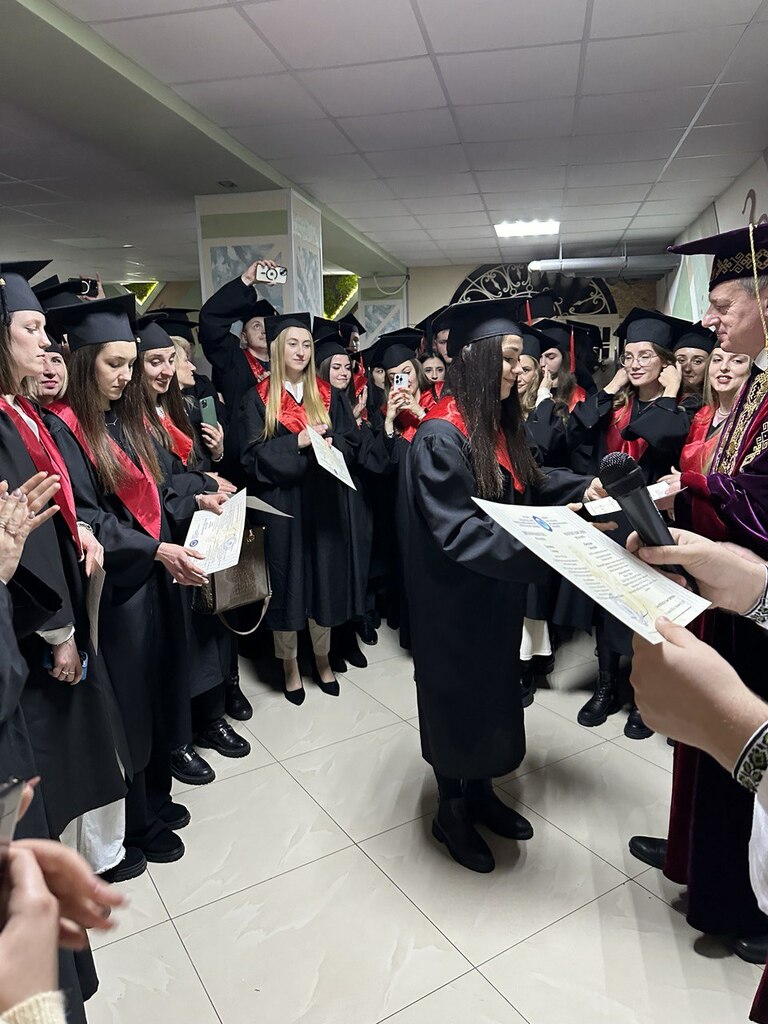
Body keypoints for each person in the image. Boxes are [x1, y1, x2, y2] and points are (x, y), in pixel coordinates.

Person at [403, 298, 599, 873]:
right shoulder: (440, 437)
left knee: (493, 695)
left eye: (521, 359)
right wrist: (551, 546)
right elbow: (459, 532)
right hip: (452, 602)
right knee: (455, 699)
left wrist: (583, 489)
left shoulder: (494, 425)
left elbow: (530, 481)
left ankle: (482, 791)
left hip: (494, 595)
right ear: (477, 359)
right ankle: (451, 810)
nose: (521, 369)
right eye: (510, 358)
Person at [628, 222, 768, 963]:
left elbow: (753, 497)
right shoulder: (755, 386)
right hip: (729, 599)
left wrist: (696, 489)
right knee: (704, 740)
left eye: (722, 304)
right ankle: (699, 862)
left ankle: (742, 899)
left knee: (739, 744)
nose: (708, 320)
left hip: (756, 606)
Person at [44, 294, 213, 876]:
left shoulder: (123, 417)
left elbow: (156, 492)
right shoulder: (66, 427)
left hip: (156, 578)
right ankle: (137, 820)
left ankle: (158, 801)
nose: (126, 375)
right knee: (131, 708)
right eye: (113, 364)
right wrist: (155, 550)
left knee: (163, 687)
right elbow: (89, 518)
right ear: (84, 360)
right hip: (118, 592)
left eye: (130, 363)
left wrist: (195, 500)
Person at [0, 264, 130, 866]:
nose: (46, 340)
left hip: (62, 596)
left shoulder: (21, 409)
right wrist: (60, 634)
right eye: (30, 328)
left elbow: (47, 502)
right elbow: (22, 539)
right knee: (59, 751)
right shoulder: (4, 422)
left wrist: (78, 524)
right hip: (37, 623)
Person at [561, 308, 690, 737]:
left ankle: (643, 696)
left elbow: (656, 436)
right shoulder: (616, 403)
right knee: (606, 602)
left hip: (649, 521)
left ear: (665, 362)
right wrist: (611, 388)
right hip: (608, 518)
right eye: (628, 356)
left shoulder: (681, 408)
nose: (634, 364)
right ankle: (606, 686)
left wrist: (669, 394)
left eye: (645, 356)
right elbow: (574, 433)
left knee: (645, 607)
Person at [239, 312, 361, 704]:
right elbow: (250, 459)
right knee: (287, 585)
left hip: (323, 504)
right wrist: (297, 443)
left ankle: (323, 659)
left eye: (307, 344)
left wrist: (333, 445)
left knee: (323, 583)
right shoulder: (256, 398)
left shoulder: (328, 395)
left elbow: (352, 443)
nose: (301, 351)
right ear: (277, 349)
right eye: (292, 343)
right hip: (283, 508)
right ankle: (290, 664)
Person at [662, 345, 752, 487]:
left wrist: (689, 483)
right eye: (717, 360)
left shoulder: (753, 422)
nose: (723, 367)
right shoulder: (700, 415)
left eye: (737, 361)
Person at [672, 321, 717, 411]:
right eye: (681, 360)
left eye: (697, 361)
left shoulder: (711, 409)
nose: (687, 368)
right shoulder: (656, 398)